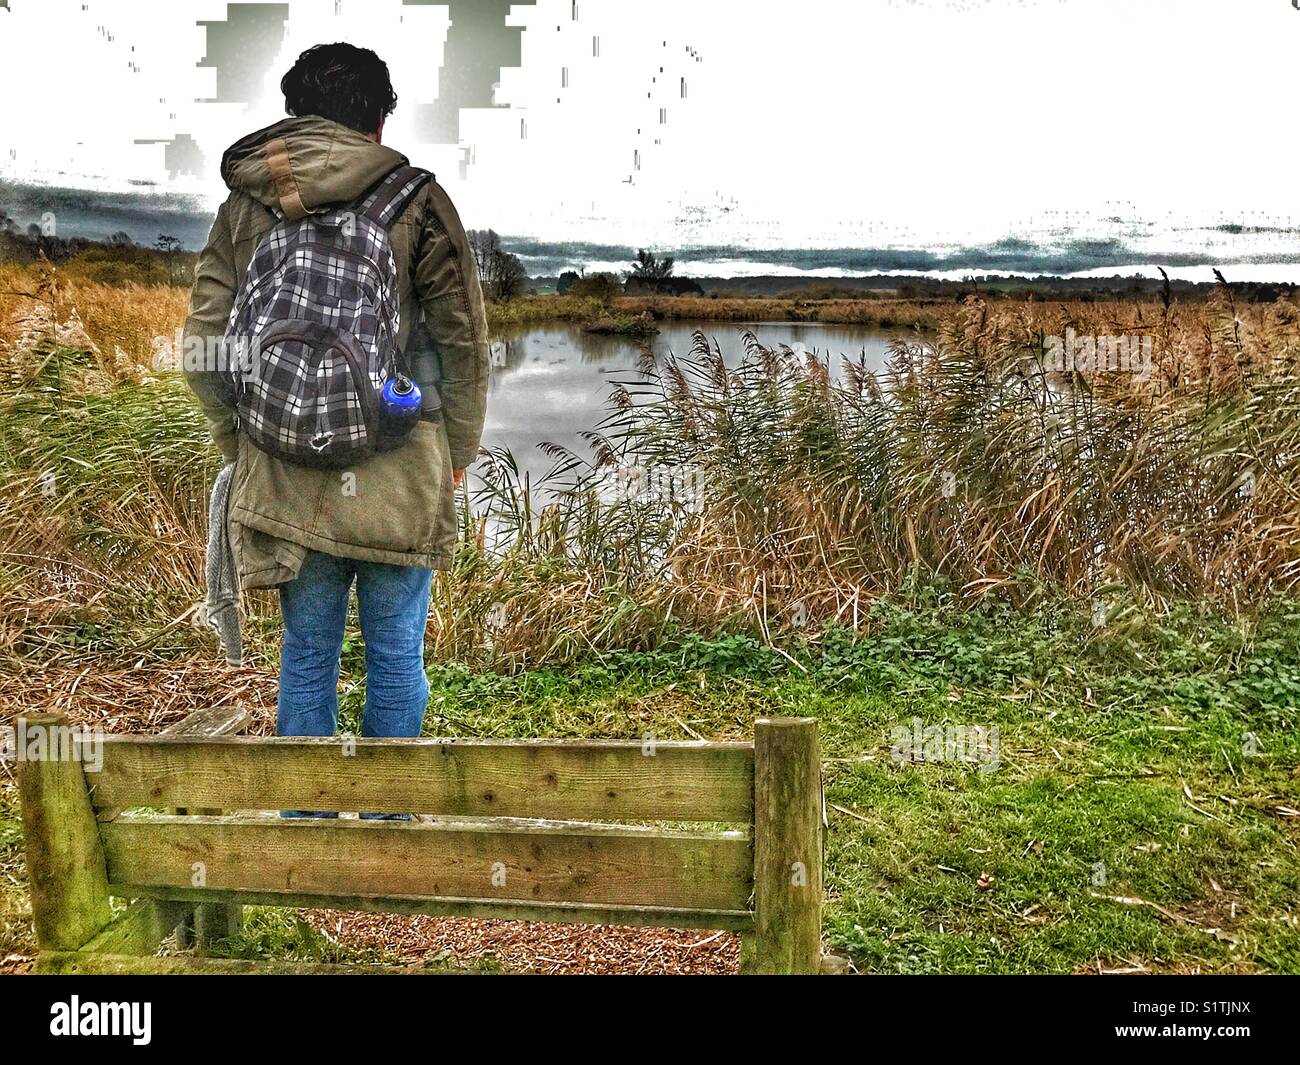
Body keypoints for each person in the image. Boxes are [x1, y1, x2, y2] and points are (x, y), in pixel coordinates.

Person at [182, 43, 488, 812]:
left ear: (295, 116)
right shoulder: (418, 199)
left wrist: (246, 440)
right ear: (381, 120)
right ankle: (385, 835)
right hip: (400, 461)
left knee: (308, 654)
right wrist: (455, 455)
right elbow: (463, 348)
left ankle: (307, 834)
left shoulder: (249, 201)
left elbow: (202, 347)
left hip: (286, 472)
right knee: (395, 657)